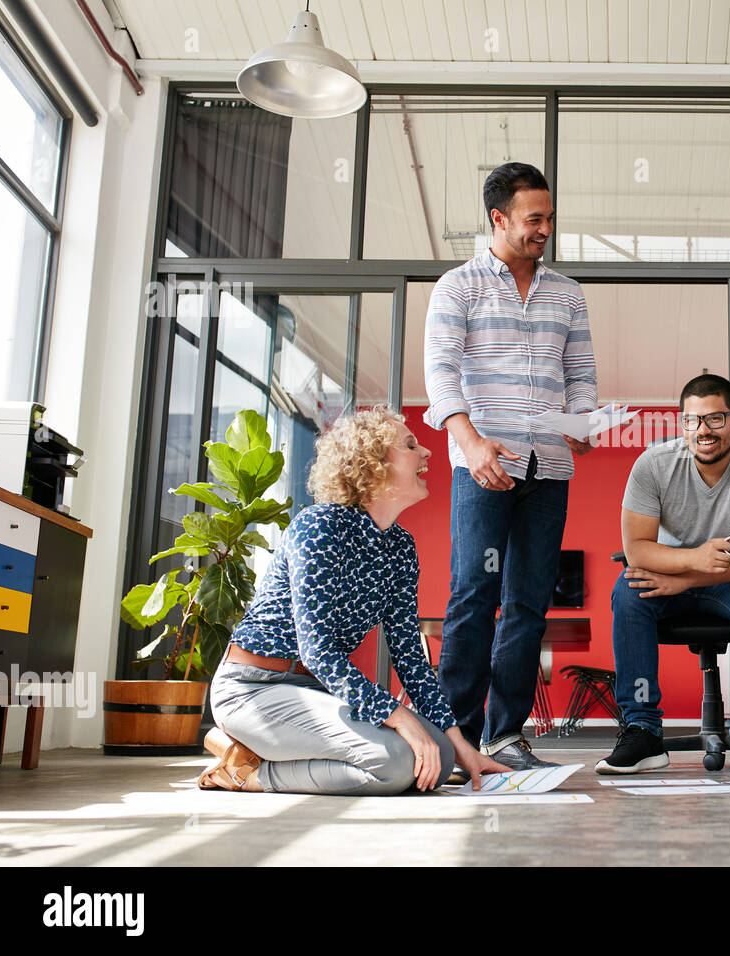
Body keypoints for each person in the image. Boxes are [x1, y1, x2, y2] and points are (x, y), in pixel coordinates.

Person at [202, 406, 510, 794]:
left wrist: (462, 744)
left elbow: (410, 659)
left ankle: (263, 752)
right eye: (411, 446)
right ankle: (250, 773)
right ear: (373, 464)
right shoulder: (318, 527)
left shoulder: (400, 547)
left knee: (443, 756)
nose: (427, 453)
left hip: (314, 691)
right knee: (398, 763)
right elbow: (317, 652)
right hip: (253, 688)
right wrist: (400, 717)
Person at [424, 161, 597, 771]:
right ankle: (457, 740)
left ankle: (506, 736)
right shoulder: (459, 287)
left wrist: (583, 425)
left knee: (528, 604)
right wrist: (469, 444)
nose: (545, 228)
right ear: (498, 219)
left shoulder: (567, 294)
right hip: (483, 466)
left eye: (549, 217)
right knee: (473, 595)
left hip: (548, 471)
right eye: (534, 218)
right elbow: (441, 375)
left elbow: (580, 377)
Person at [597, 374, 730, 775]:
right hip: (675, 571)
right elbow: (637, 549)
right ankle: (643, 732)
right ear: (682, 423)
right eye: (692, 420)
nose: (703, 431)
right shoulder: (653, 464)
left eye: (715, 419)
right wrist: (693, 559)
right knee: (628, 589)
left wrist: (686, 578)